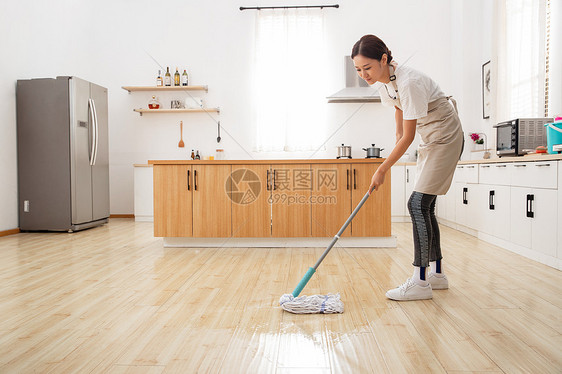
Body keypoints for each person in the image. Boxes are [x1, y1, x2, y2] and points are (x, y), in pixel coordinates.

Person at [351, 34, 464, 301]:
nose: (363, 75)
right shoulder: (385, 83)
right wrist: (397, 135)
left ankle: (420, 282)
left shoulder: (409, 81)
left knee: (416, 204)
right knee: (425, 206)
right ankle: (436, 275)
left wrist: (382, 168)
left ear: (384, 59)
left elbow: (408, 138)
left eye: (368, 68)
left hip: (445, 137)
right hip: (430, 138)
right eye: (358, 70)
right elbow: (399, 111)